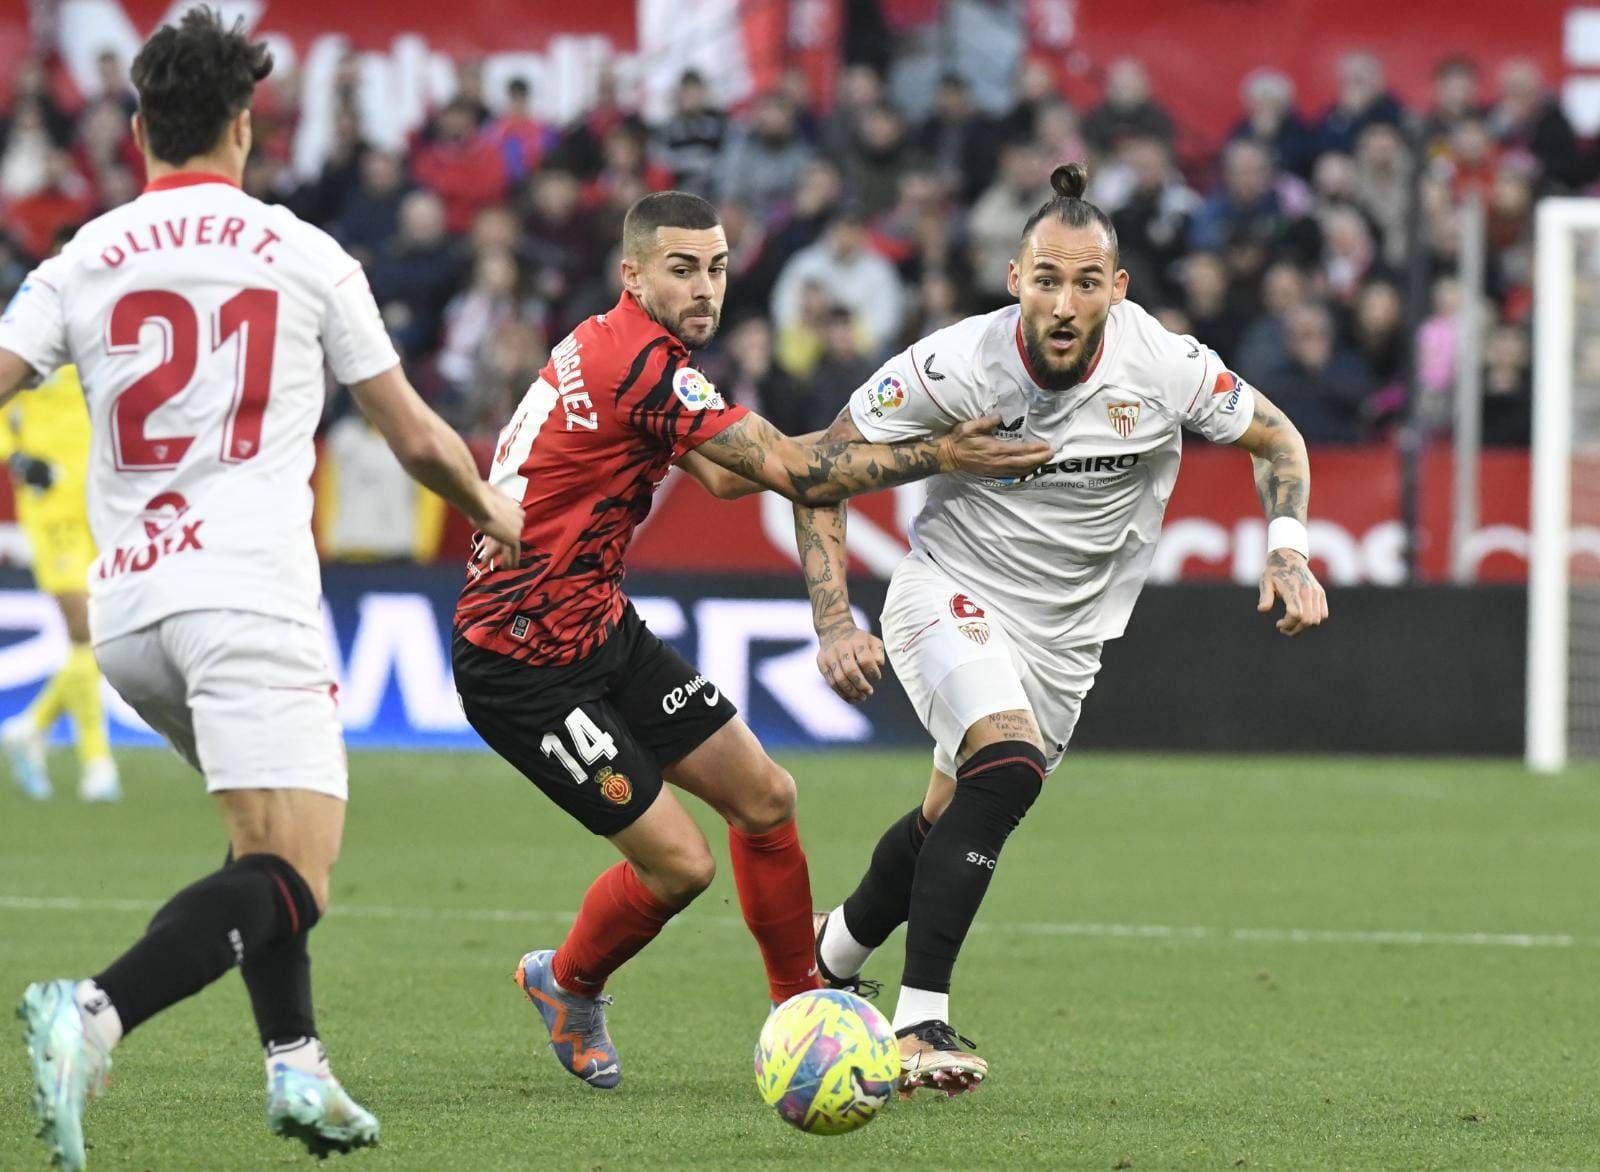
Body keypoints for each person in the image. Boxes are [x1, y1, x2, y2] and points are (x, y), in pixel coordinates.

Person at [0, 12, 524, 1169]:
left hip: (129, 611)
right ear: (245, 127)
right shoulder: (304, 253)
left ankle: (298, 1064)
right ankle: (94, 1011)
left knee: (258, 841)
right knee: (299, 870)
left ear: (138, 127)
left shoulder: (83, 257)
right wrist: (494, 511)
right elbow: (414, 436)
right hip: (246, 595)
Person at [450, 189, 1051, 1092]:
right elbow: (796, 471)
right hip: (522, 663)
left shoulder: (623, 346)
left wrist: (857, 446)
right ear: (633, 274)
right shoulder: (645, 368)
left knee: (767, 798)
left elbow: (733, 479)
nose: (705, 287)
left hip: (597, 625)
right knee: (681, 867)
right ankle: (566, 983)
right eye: (682, 269)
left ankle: (801, 1010)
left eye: (718, 268)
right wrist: (939, 452)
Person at [792, 163, 1329, 1095]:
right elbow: (819, 468)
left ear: (1118, 288)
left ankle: (828, 954)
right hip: (949, 589)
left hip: (1067, 640)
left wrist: (1288, 550)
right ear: (1015, 280)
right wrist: (836, 621)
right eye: (1047, 279)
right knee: (1006, 766)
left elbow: (1277, 437)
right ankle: (917, 1023)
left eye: (1087, 282)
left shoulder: (1164, 365)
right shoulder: (954, 365)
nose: (1066, 303)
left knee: (949, 815)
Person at [0, 345, 120, 802]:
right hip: (51, 504)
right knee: (84, 626)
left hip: (101, 499)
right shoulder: (28, 337)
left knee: (104, 630)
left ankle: (31, 727)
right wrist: (15, 457)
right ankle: (97, 762)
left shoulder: (98, 336)